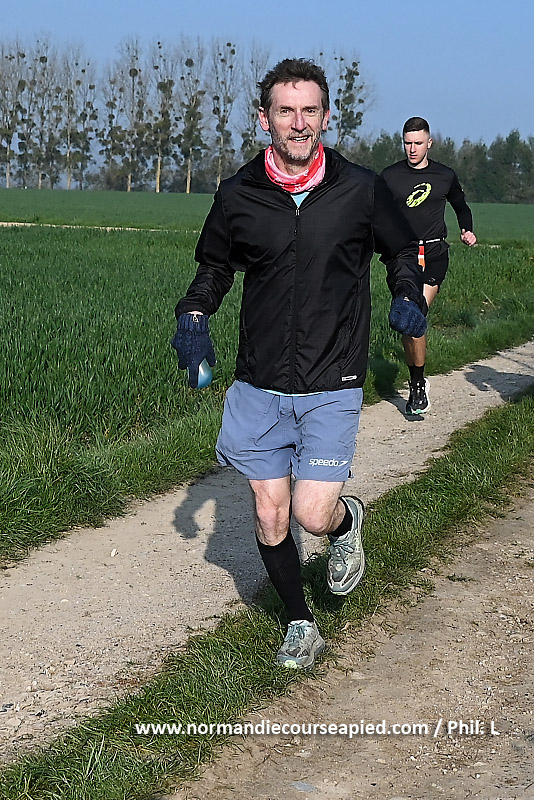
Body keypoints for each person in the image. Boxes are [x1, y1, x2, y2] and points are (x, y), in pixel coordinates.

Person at [172, 59, 427, 670]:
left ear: (326, 117)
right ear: (265, 119)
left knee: (311, 514)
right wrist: (193, 315)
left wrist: (407, 292)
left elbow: (400, 250)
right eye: (285, 111)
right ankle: (299, 623)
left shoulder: (360, 188)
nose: (298, 122)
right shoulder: (238, 194)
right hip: (259, 378)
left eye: (309, 110)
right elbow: (214, 268)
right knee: (269, 512)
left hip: (332, 374)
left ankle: (344, 522)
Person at [381, 117, 477, 415]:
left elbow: (461, 206)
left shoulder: (444, 175)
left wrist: (467, 229)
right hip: (402, 256)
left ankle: (417, 386)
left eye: (418, 143)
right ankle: (417, 380)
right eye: (408, 143)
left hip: (434, 254)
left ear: (429, 143)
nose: (412, 149)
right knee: (407, 320)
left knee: (413, 314)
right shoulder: (390, 177)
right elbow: (375, 214)